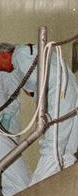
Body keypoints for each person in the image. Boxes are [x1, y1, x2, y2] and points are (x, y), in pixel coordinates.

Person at [17, 46, 78, 184]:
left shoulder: (21, 55)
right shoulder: (58, 68)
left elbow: (53, 148)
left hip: (60, 99)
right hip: (67, 100)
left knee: (53, 148)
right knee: (66, 153)